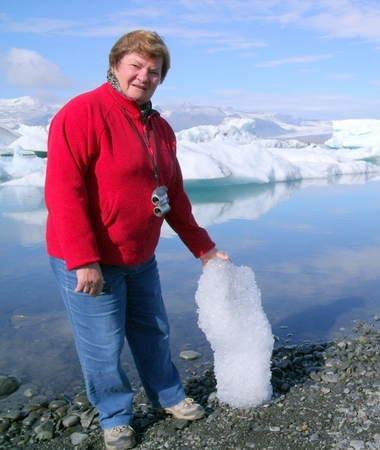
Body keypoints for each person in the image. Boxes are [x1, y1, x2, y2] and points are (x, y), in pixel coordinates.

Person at [45, 30, 229, 450]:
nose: (144, 76)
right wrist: (83, 258)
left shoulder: (159, 126)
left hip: (140, 254)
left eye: (154, 71)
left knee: (154, 330)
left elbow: (174, 193)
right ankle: (115, 415)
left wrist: (203, 247)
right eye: (136, 66)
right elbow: (62, 191)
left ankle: (168, 395)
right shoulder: (82, 113)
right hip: (93, 257)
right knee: (103, 343)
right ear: (115, 65)